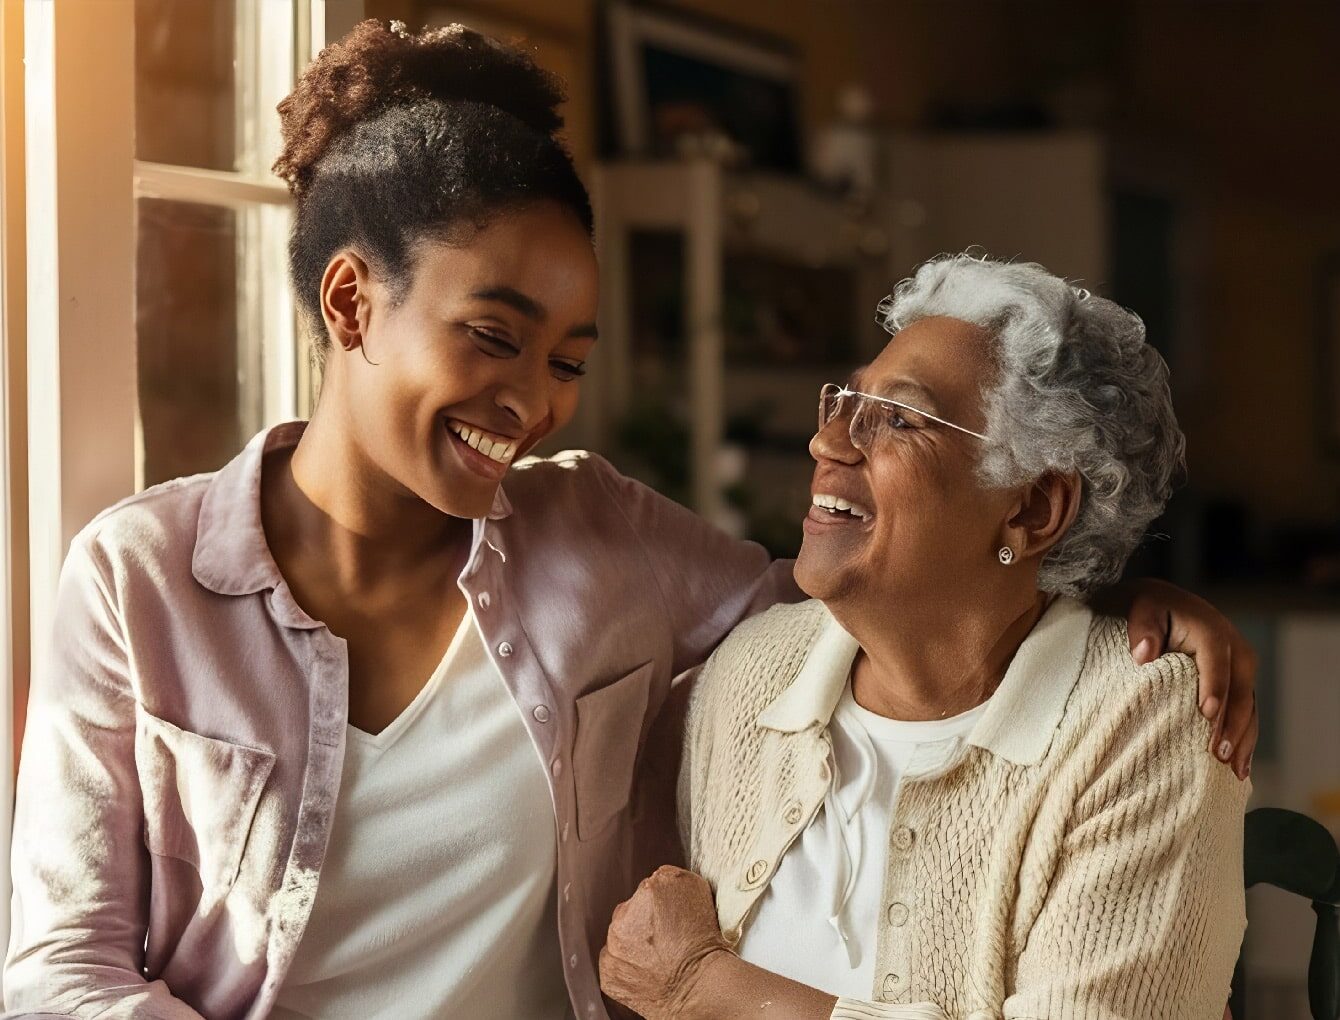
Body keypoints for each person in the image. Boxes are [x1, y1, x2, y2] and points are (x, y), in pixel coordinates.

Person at [5, 23, 1254, 1020]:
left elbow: (880, 611)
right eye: (494, 336)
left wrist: (1101, 597)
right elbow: (60, 967)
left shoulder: (600, 536)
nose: (531, 400)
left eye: (567, 359)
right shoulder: (140, 578)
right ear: (349, 302)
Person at [601, 255, 1250, 1020]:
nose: (830, 443)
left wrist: (705, 989)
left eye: (900, 419)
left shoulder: (1142, 725)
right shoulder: (754, 672)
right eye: (844, 401)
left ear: (1035, 509)